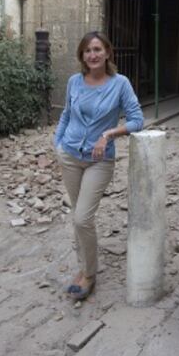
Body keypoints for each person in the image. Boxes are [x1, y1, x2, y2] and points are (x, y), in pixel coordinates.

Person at [54, 31, 144, 300]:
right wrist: (57, 144)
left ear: (107, 52)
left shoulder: (120, 84)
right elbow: (66, 113)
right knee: (78, 218)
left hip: (99, 161)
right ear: (82, 56)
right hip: (69, 155)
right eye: (87, 51)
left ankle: (90, 274)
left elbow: (137, 120)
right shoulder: (74, 82)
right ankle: (83, 268)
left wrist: (108, 135)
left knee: (83, 217)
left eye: (97, 49)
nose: (92, 55)